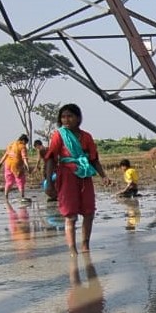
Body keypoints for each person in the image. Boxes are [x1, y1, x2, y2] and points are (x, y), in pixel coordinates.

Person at [43, 103, 110, 254]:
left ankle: (85, 245)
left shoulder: (86, 137)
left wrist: (103, 176)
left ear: (78, 118)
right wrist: (48, 182)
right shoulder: (59, 135)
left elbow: (93, 158)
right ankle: (72, 248)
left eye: (70, 116)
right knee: (70, 214)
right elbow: (51, 158)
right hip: (67, 175)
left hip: (85, 174)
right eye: (63, 117)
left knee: (89, 212)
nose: (66, 120)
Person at [0, 134, 31, 201]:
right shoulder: (22, 146)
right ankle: (22, 196)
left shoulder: (11, 144)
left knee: (9, 181)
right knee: (20, 181)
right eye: (25, 143)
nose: (25, 144)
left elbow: (6, 154)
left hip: (7, 165)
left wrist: (1, 162)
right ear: (23, 140)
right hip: (17, 166)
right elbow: (24, 157)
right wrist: (27, 166)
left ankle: (6, 196)